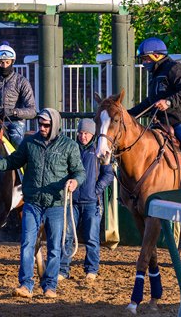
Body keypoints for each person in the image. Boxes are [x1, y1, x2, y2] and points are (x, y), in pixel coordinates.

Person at [0, 108, 86, 299]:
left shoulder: (69, 146)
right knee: (27, 244)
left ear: (55, 125)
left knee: (54, 247)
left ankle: (50, 286)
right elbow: (14, 161)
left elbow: (79, 171)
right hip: (32, 203)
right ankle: (25, 285)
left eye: (46, 125)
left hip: (56, 204)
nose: (42, 127)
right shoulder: (30, 142)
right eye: (40, 124)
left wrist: (75, 181)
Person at [128, 37, 181, 186]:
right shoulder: (155, 76)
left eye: (146, 59)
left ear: (156, 55)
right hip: (162, 123)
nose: (144, 63)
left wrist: (168, 102)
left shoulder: (176, 68)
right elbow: (150, 102)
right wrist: (129, 114)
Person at [58, 118, 114, 282]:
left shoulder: (99, 150)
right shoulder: (70, 148)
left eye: (86, 133)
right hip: (72, 202)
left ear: (92, 134)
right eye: (81, 133)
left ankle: (91, 269)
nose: (83, 136)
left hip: (91, 202)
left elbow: (108, 174)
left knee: (92, 238)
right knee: (67, 236)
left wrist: (95, 190)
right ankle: (63, 269)